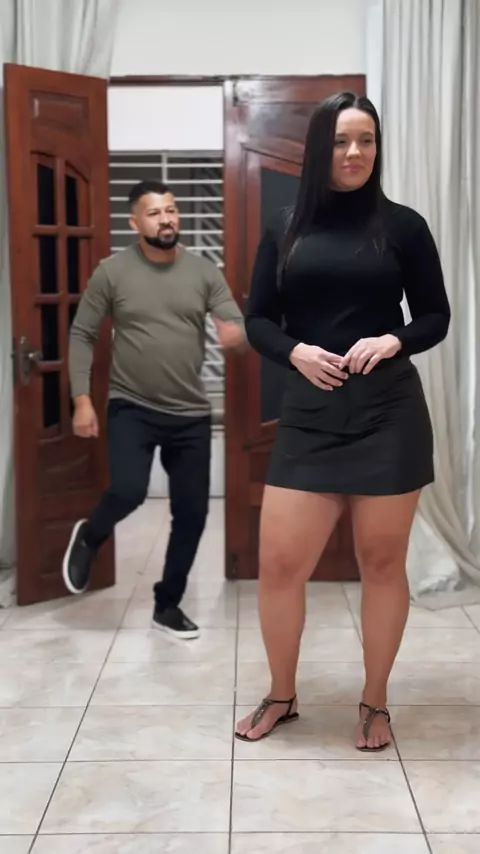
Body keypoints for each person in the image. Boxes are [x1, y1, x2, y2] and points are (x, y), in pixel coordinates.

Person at [235, 92, 450, 750]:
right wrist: (295, 352)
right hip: (310, 415)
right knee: (279, 564)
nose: (355, 152)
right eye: (340, 140)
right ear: (318, 148)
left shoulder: (404, 227)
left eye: (367, 140)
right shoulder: (285, 227)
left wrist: (394, 339)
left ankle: (375, 701)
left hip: (388, 413)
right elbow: (258, 321)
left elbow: (435, 316)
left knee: (381, 565)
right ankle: (282, 694)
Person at [64, 180, 245, 639]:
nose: (166, 219)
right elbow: (83, 333)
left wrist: (236, 335)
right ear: (135, 222)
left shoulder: (203, 272)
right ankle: (91, 535)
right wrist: (82, 399)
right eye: (154, 212)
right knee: (128, 490)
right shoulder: (112, 272)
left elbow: (235, 323)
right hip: (133, 405)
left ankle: (167, 605)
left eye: (171, 210)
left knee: (192, 514)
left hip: (191, 413)